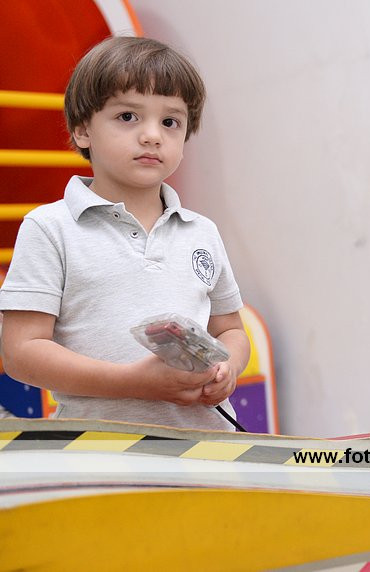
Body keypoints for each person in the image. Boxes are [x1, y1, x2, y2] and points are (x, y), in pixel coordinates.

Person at [0, 36, 249, 431]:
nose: (152, 135)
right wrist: (135, 382)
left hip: (208, 446)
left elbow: (230, 329)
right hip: (98, 451)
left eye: (170, 122)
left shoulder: (202, 231)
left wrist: (228, 367)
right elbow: (21, 352)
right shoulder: (49, 228)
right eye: (128, 116)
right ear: (82, 130)